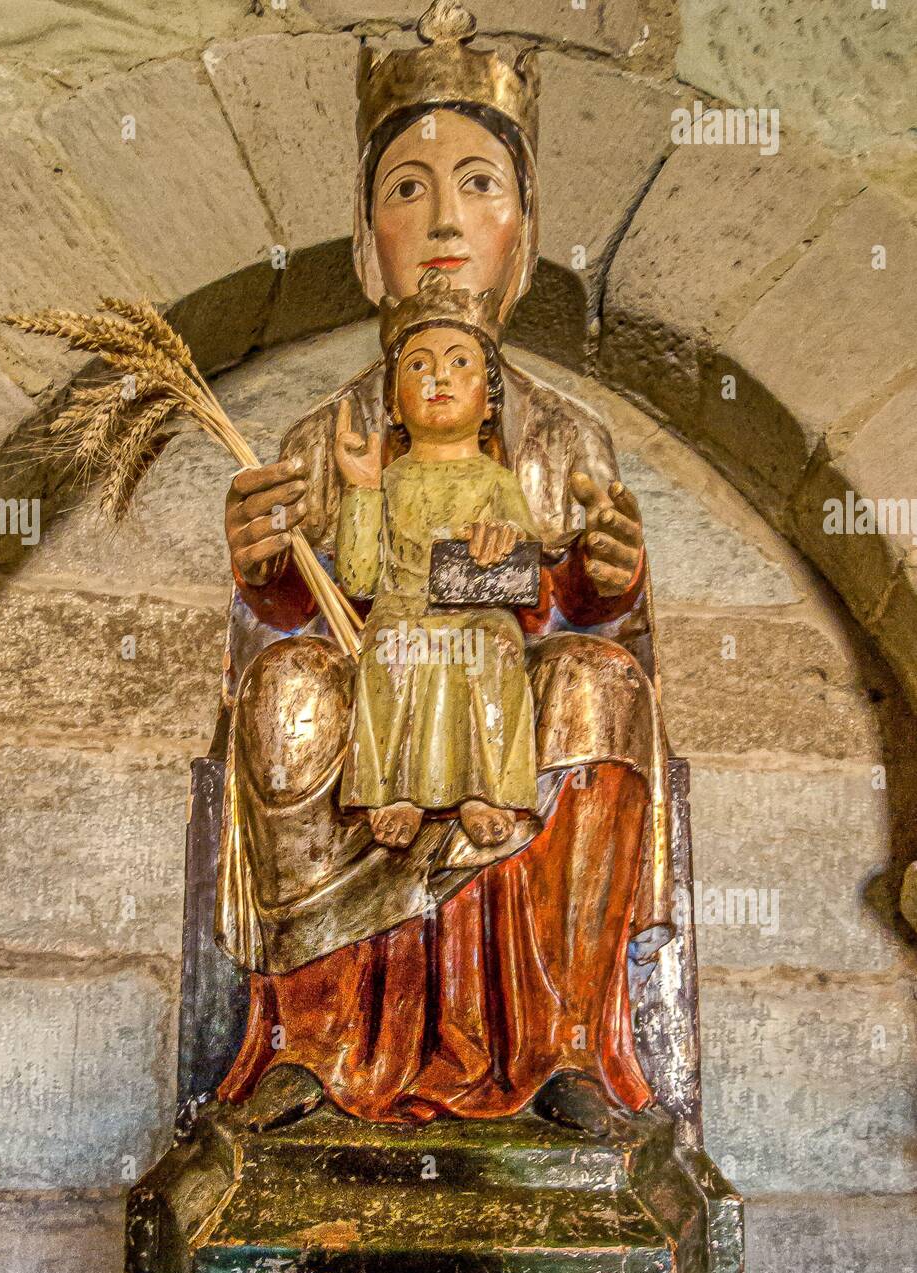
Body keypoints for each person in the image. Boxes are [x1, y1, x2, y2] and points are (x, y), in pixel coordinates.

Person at [215, 1, 672, 1132]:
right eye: (407, 188)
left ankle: (559, 1038)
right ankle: (314, 1039)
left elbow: (583, 604)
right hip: (377, 689)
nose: (445, 220)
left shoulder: (562, 434)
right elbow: (296, 607)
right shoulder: (330, 432)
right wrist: (266, 563)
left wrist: (604, 579)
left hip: (494, 687)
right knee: (286, 694)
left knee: (595, 689)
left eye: (480, 183)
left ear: (524, 227)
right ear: (366, 237)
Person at [336, 272, 541, 849]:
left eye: (459, 364)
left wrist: (501, 540)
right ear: (394, 407)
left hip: (475, 612)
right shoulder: (390, 478)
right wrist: (361, 489)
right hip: (402, 611)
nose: (439, 378)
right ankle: (391, 789)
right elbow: (357, 578)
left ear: (490, 400)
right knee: (391, 644)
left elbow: (528, 567)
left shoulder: (498, 480)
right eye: (418, 367)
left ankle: (486, 787)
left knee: (493, 643)